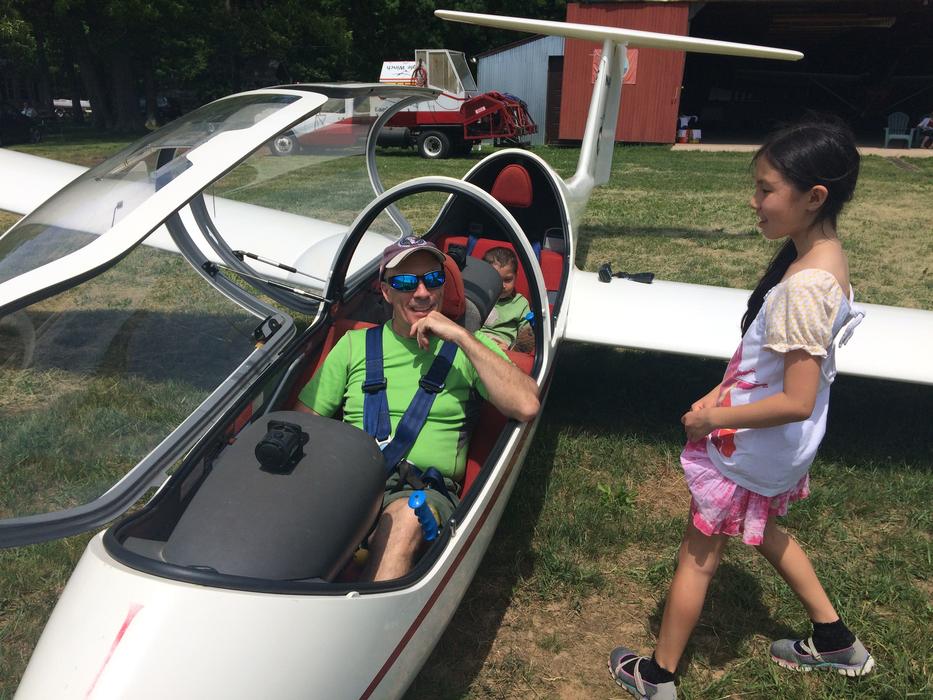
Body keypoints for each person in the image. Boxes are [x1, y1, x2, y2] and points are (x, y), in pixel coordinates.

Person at [608, 119, 872, 699]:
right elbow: (770, 368)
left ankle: (657, 677)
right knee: (765, 526)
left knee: (699, 555)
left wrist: (711, 419)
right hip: (775, 452)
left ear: (814, 197)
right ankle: (834, 640)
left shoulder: (803, 286)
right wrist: (721, 392)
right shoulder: (824, 256)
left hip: (749, 447)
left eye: (766, 189)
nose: (754, 202)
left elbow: (796, 399)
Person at [297, 236, 539, 581]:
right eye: (406, 282)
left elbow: (527, 404)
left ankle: (372, 625)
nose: (423, 292)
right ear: (386, 292)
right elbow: (305, 424)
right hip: (350, 479)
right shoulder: (353, 345)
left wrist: (459, 335)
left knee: (405, 521)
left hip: (421, 491)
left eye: (433, 279)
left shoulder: (472, 348)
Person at [480, 246, 533, 352]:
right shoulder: (479, 296)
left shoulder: (520, 303)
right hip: (476, 340)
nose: (502, 285)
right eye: (496, 279)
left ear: (516, 276)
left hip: (502, 347)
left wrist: (513, 347)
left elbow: (525, 332)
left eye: (507, 280)